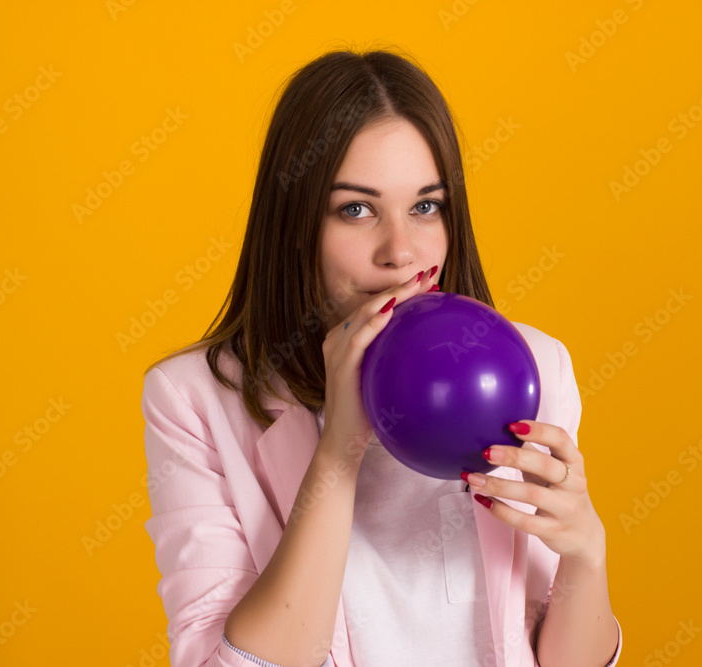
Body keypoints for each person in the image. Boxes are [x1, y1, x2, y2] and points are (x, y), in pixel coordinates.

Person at [141, 46, 622, 667]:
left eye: (426, 206)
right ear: (295, 224)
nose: (402, 252)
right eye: (356, 210)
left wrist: (587, 553)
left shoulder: (532, 369)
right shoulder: (194, 399)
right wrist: (338, 451)